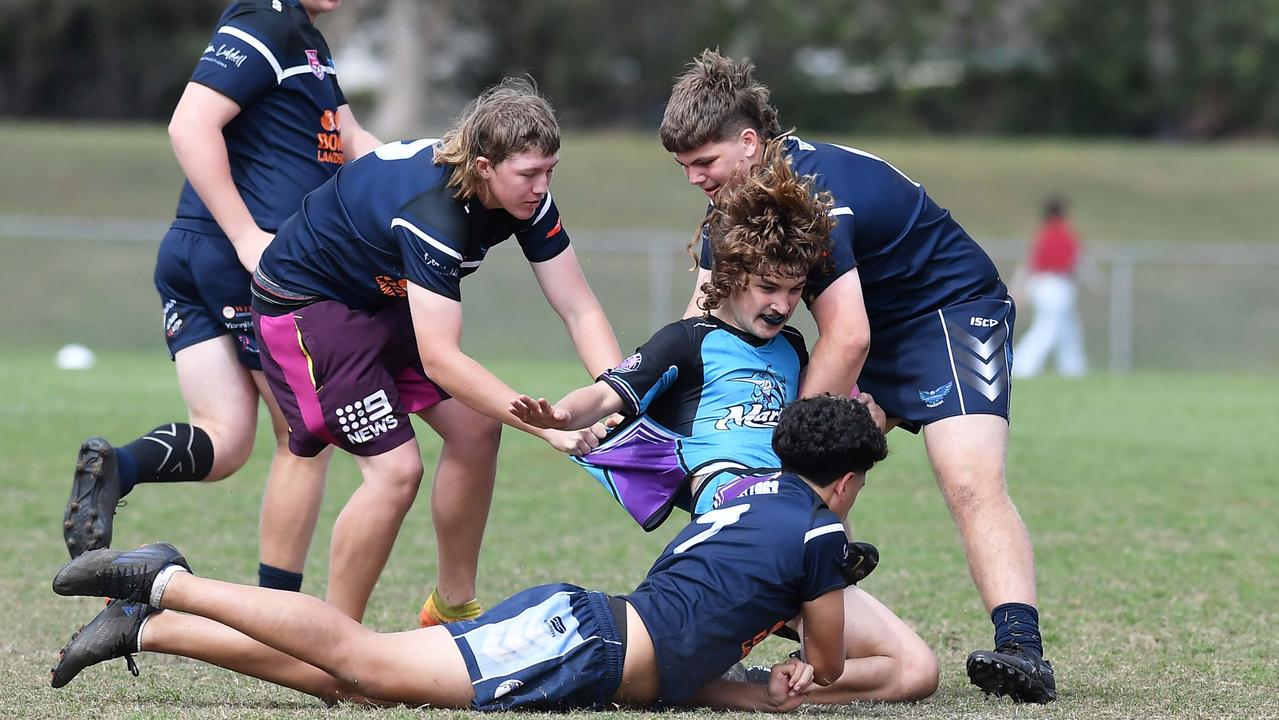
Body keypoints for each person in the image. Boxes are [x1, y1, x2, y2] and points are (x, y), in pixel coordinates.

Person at [51, 395, 883, 713]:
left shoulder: (747, 499)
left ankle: (145, 627)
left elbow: (684, 654)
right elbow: (833, 661)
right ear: (844, 482)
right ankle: (166, 580)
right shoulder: (817, 534)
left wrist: (752, 694)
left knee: (359, 681)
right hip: (581, 643)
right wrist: (808, 658)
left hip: (589, 636)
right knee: (363, 660)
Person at [658, 50, 1056, 703]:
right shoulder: (735, 207)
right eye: (684, 167)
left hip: (947, 316)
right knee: (809, 497)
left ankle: (1020, 650)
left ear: (749, 142)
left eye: (704, 162)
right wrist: (653, 408)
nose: (695, 178)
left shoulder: (817, 194)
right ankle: (775, 637)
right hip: (870, 330)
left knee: (966, 479)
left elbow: (847, 336)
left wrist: (785, 445)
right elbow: (700, 322)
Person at [510, 145, 938, 704]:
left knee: (915, 671)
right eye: (768, 287)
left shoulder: (791, 347)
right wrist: (562, 416)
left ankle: (746, 687)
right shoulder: (689, 341)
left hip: (793, 540)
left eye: (794, 290)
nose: (784, 305)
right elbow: (607, 391)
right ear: (732, 274)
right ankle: (715, 670)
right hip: (737, 542)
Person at [247, 78, 620, 623]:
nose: (542, 187)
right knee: (396, 472)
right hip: (309, 306)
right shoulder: (435, 213)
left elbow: (579, 308)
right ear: (484, 165)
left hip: (378, 296)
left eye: (550, 171)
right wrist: (547, 426)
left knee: (477, 428)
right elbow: (441, 357)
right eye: (528, 174)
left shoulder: (524, 198)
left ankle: (451, 610)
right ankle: (335, 647)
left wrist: (621, 390)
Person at [62, 0, 382, 602]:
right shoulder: (263, 20)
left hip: (193, 255)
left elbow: (353, 139)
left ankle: (118, 468)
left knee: (227, 438)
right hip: (245, 261)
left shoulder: (305, 38)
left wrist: (426, 173)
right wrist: (246, 239)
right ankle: (278, 614)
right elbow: (188, 124)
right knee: (303, 438)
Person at [1012, 197, 1087, 378]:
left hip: (1041, 284)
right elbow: (1075, 263)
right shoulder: (1064, 234)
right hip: (1056, 286)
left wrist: (1020, 288)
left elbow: (1030, 263)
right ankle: (1023, 366)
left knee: (1068, 329)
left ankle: (1073, 369)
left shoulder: (1043, 234)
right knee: (1046, 329)